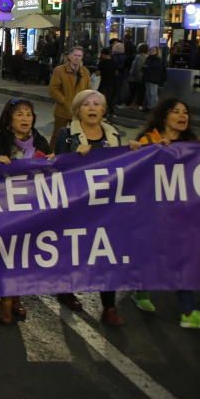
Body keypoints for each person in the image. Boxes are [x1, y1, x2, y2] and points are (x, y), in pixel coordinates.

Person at [129, 98, 200, 329]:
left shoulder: (191, 144)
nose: (182, 116)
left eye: (185, 112)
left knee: (183, 257)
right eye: (176, 111)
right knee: (152, 254)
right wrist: (148, 150)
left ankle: (188, 311)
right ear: (164, 116)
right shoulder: (148, 139)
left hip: (182, 215)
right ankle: (140, 290)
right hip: (153, 213)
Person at [51, 89, 126, 325]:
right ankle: (66, 290)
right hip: (76, 204)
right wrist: (75, 155)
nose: (92, 108)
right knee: (74, 250)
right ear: (78, 110)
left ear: (103, 110)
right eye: (86, 104)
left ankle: (109, 306)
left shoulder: (114, 136)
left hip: (105, 207)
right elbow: (58, 168)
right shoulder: (67, 135)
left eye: (97, 104)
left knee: (106, 253)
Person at [0, 98, 53, 325]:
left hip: (32, 211)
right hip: (5, 211)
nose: (25, 119)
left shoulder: (41, 143)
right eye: (20, 114)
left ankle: (16, 297)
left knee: (24, 258)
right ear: (10, 120)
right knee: (8, 257)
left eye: (29, 114)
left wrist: (53, 162)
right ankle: (5, 300)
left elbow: (53, 175)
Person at [48, 46, 91, 148]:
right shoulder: (59, 70)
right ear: (70, 57)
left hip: (78, 111)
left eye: (79, 56)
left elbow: (88, 90)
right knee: (57, 136)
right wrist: (64, 101)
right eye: (75, 55)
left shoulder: (85, 72)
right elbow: (53, 89)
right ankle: (50, 155)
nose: (77, 58)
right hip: (62, 110)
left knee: (78, 136)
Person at [142, 45, 166, 111]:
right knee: (148, 93)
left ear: (157, 52)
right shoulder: (149, 58)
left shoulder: (157, 60)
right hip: (148, 78)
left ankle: (154, 106)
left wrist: (147, 67)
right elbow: (144, 67)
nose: (151, 52)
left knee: (153, 93)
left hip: (153, 78)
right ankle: (151, 106)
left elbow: (153, 68)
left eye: (153, 50)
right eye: (150, 50)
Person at [96, 48, 118, 119]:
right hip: (112, 82)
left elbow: (98, 73)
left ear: (104, 54)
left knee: (102, 98)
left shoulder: (102, 63)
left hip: (104, 82)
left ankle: (103, 113)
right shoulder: (114, 62)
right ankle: (112, 112)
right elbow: (116, 72)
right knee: (109, 98)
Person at [126, 43, 148, 109]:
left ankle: (129, 104)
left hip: (135, 79)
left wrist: (138, 77)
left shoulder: (138, 57)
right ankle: (138, 105)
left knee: (132, 93)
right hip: (142, 78)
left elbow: (136, 69)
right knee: (140, 93)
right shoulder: (147, 57)